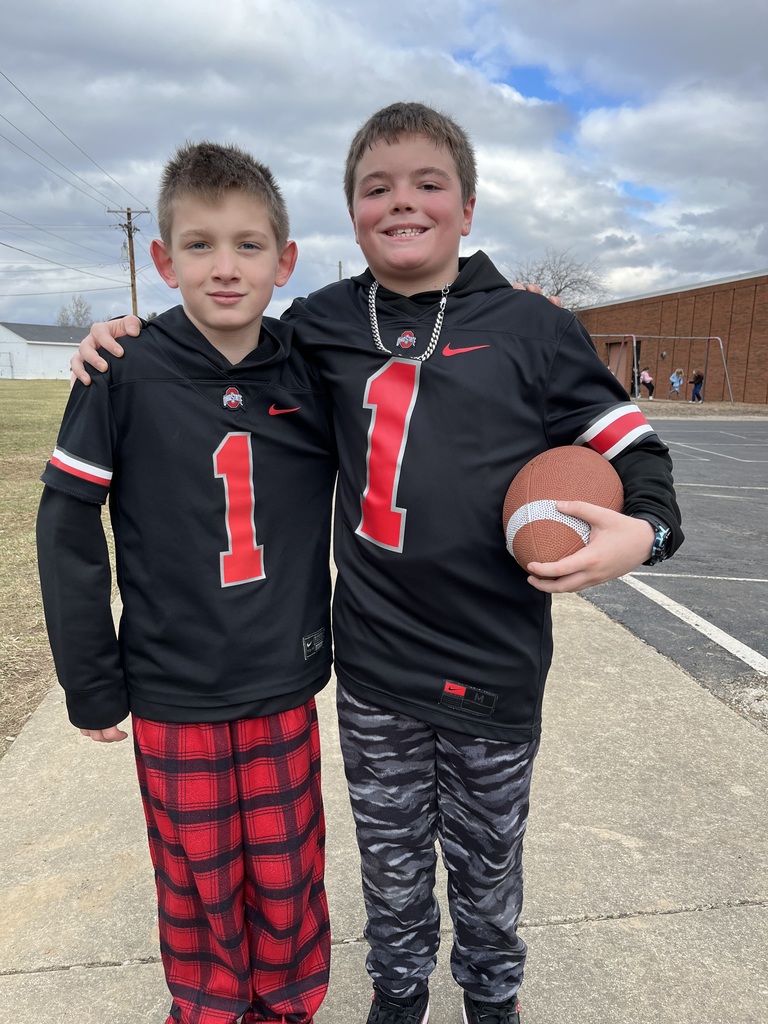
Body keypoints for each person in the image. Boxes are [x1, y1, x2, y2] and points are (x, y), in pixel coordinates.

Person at [71, 102, 683, 1024]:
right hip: (375, 665)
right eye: (376, 187)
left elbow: (639, 463)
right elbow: (213, 330)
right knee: (391, 876)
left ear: (467, 207)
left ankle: (491, 1002)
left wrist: (645, 534)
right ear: (352, 210)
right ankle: (397, 1000)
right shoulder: (318, 323)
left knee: (487, 872)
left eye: (428, 184)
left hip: (493, 666)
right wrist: (121, 338)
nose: (403, 201)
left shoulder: (533, 329)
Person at [37, 142, 337, 1024]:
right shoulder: (119, 370)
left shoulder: (312, 366)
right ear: (162, 261)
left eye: (250, 244)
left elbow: (417, 354)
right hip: (172, 688)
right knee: (197, 882)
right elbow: (66, 524)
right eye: (199, 244)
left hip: (281, 677)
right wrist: (92, 683)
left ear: (285, 261)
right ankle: (207, 1010)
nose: (225, 265)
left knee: (288, 877)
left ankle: (288, 1008)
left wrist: (513, 307)